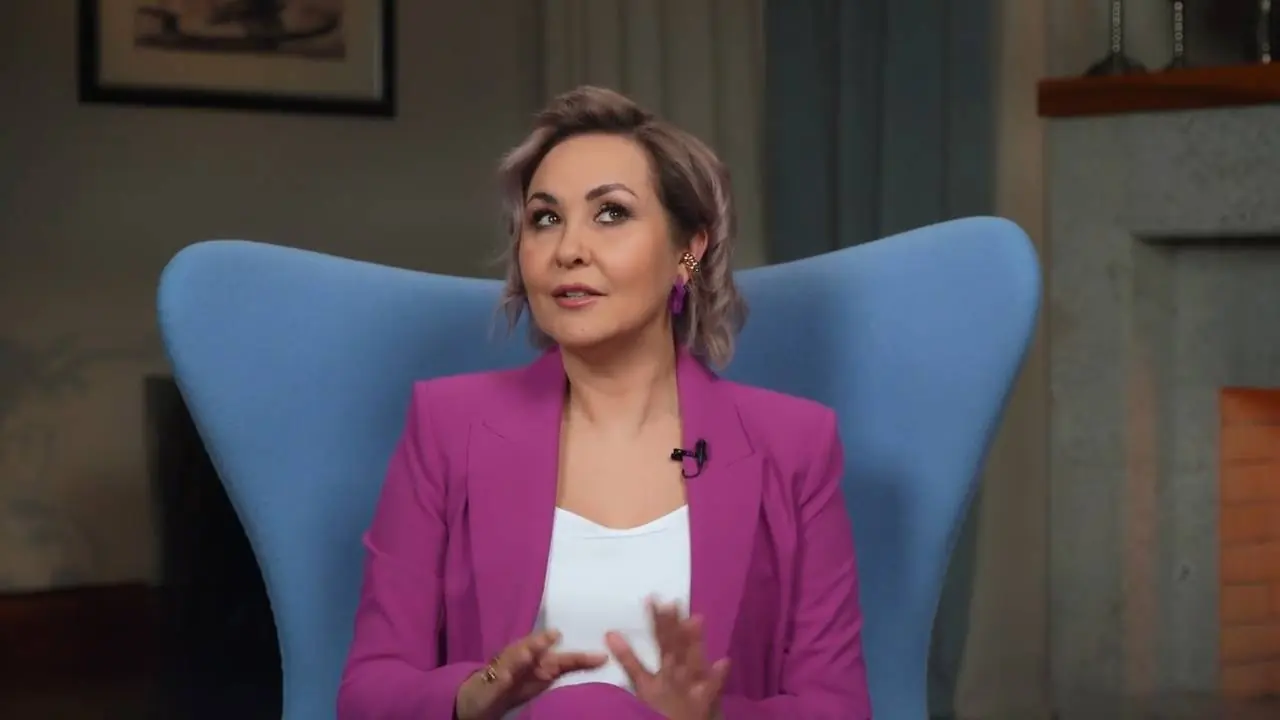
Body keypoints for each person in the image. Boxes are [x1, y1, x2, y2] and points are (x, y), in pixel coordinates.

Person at [336, 86, 871, 719]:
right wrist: (473, 691)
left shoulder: (795, 445)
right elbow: (368, 692)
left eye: (611, 213)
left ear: (688, 251)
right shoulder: (447, 426)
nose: (568, 250)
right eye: (545, 219)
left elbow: (836, 707)